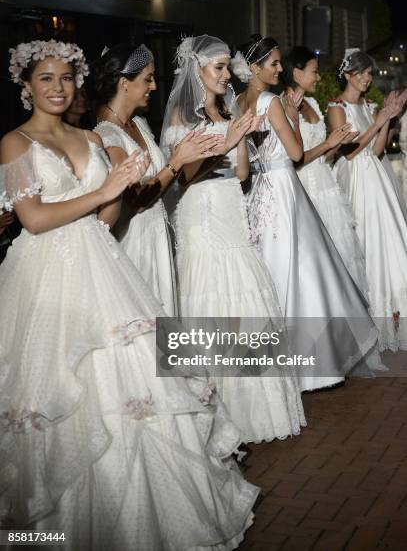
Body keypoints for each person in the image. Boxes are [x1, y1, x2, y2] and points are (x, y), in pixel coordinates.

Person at [0, 39, 259, 549]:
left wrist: (120, 190)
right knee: (58, 390)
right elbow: (32, 219)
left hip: (103, 261)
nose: (58, 88)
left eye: (66, 78)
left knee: (139, 389)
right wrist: (104, 191)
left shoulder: (88, 138)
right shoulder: (14, 143)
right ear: (26, 86)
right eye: (46, 78)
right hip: (45, 276)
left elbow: (106, 219)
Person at [161, 34, 306, 444]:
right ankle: (217, 408)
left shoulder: (223, 110)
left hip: (229, 206)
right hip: (202, 214)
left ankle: (255, 409)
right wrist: (229, 139)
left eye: (227, 67)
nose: (228, 75)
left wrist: (239, 136)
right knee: (211, 294)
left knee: (244, 293)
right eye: (219, 68)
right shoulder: (180, 118)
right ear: (197, 71)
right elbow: (187, 175)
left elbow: (241, 174)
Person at [232, 36, 383, 392]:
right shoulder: (270, 101)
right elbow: (297, 153)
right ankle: (316, 364)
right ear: (255, 68)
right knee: (305, 271)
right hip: (284, 189)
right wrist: (293, 117)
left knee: (276, 270)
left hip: (259, 192)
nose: (280, 69)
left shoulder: (239, 101)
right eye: (274, 64)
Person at [91, 43, 221, 315]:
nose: (153, 87)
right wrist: (176, 161)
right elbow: (134, 201)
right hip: (136, 240)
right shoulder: (108, 136)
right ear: (124, 83)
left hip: (157, 232)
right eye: (147, 79)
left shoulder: (137, 123)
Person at [328, 48, 407, 349]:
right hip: (354, 178)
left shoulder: (368, 104)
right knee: (362, 243)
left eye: (369, 73)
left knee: (385, 242)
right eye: (361, 72)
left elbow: (376, 150)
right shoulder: (337, 107)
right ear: (347, 75)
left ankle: (390, 318)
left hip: (374, 178)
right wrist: (380, 120)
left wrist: (388, 117)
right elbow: (350, 151)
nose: (366, 78)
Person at [280, 45, 368, 295]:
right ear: (296, 73)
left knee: (341, 253)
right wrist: (328, 143)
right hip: (303, 189)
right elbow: (294, 160)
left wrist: (337, 144)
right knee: (314, 260)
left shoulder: (311, 103)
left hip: (325, 184)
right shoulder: (281, 106)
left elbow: (323, 155)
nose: (318, 77)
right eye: (314, 72)